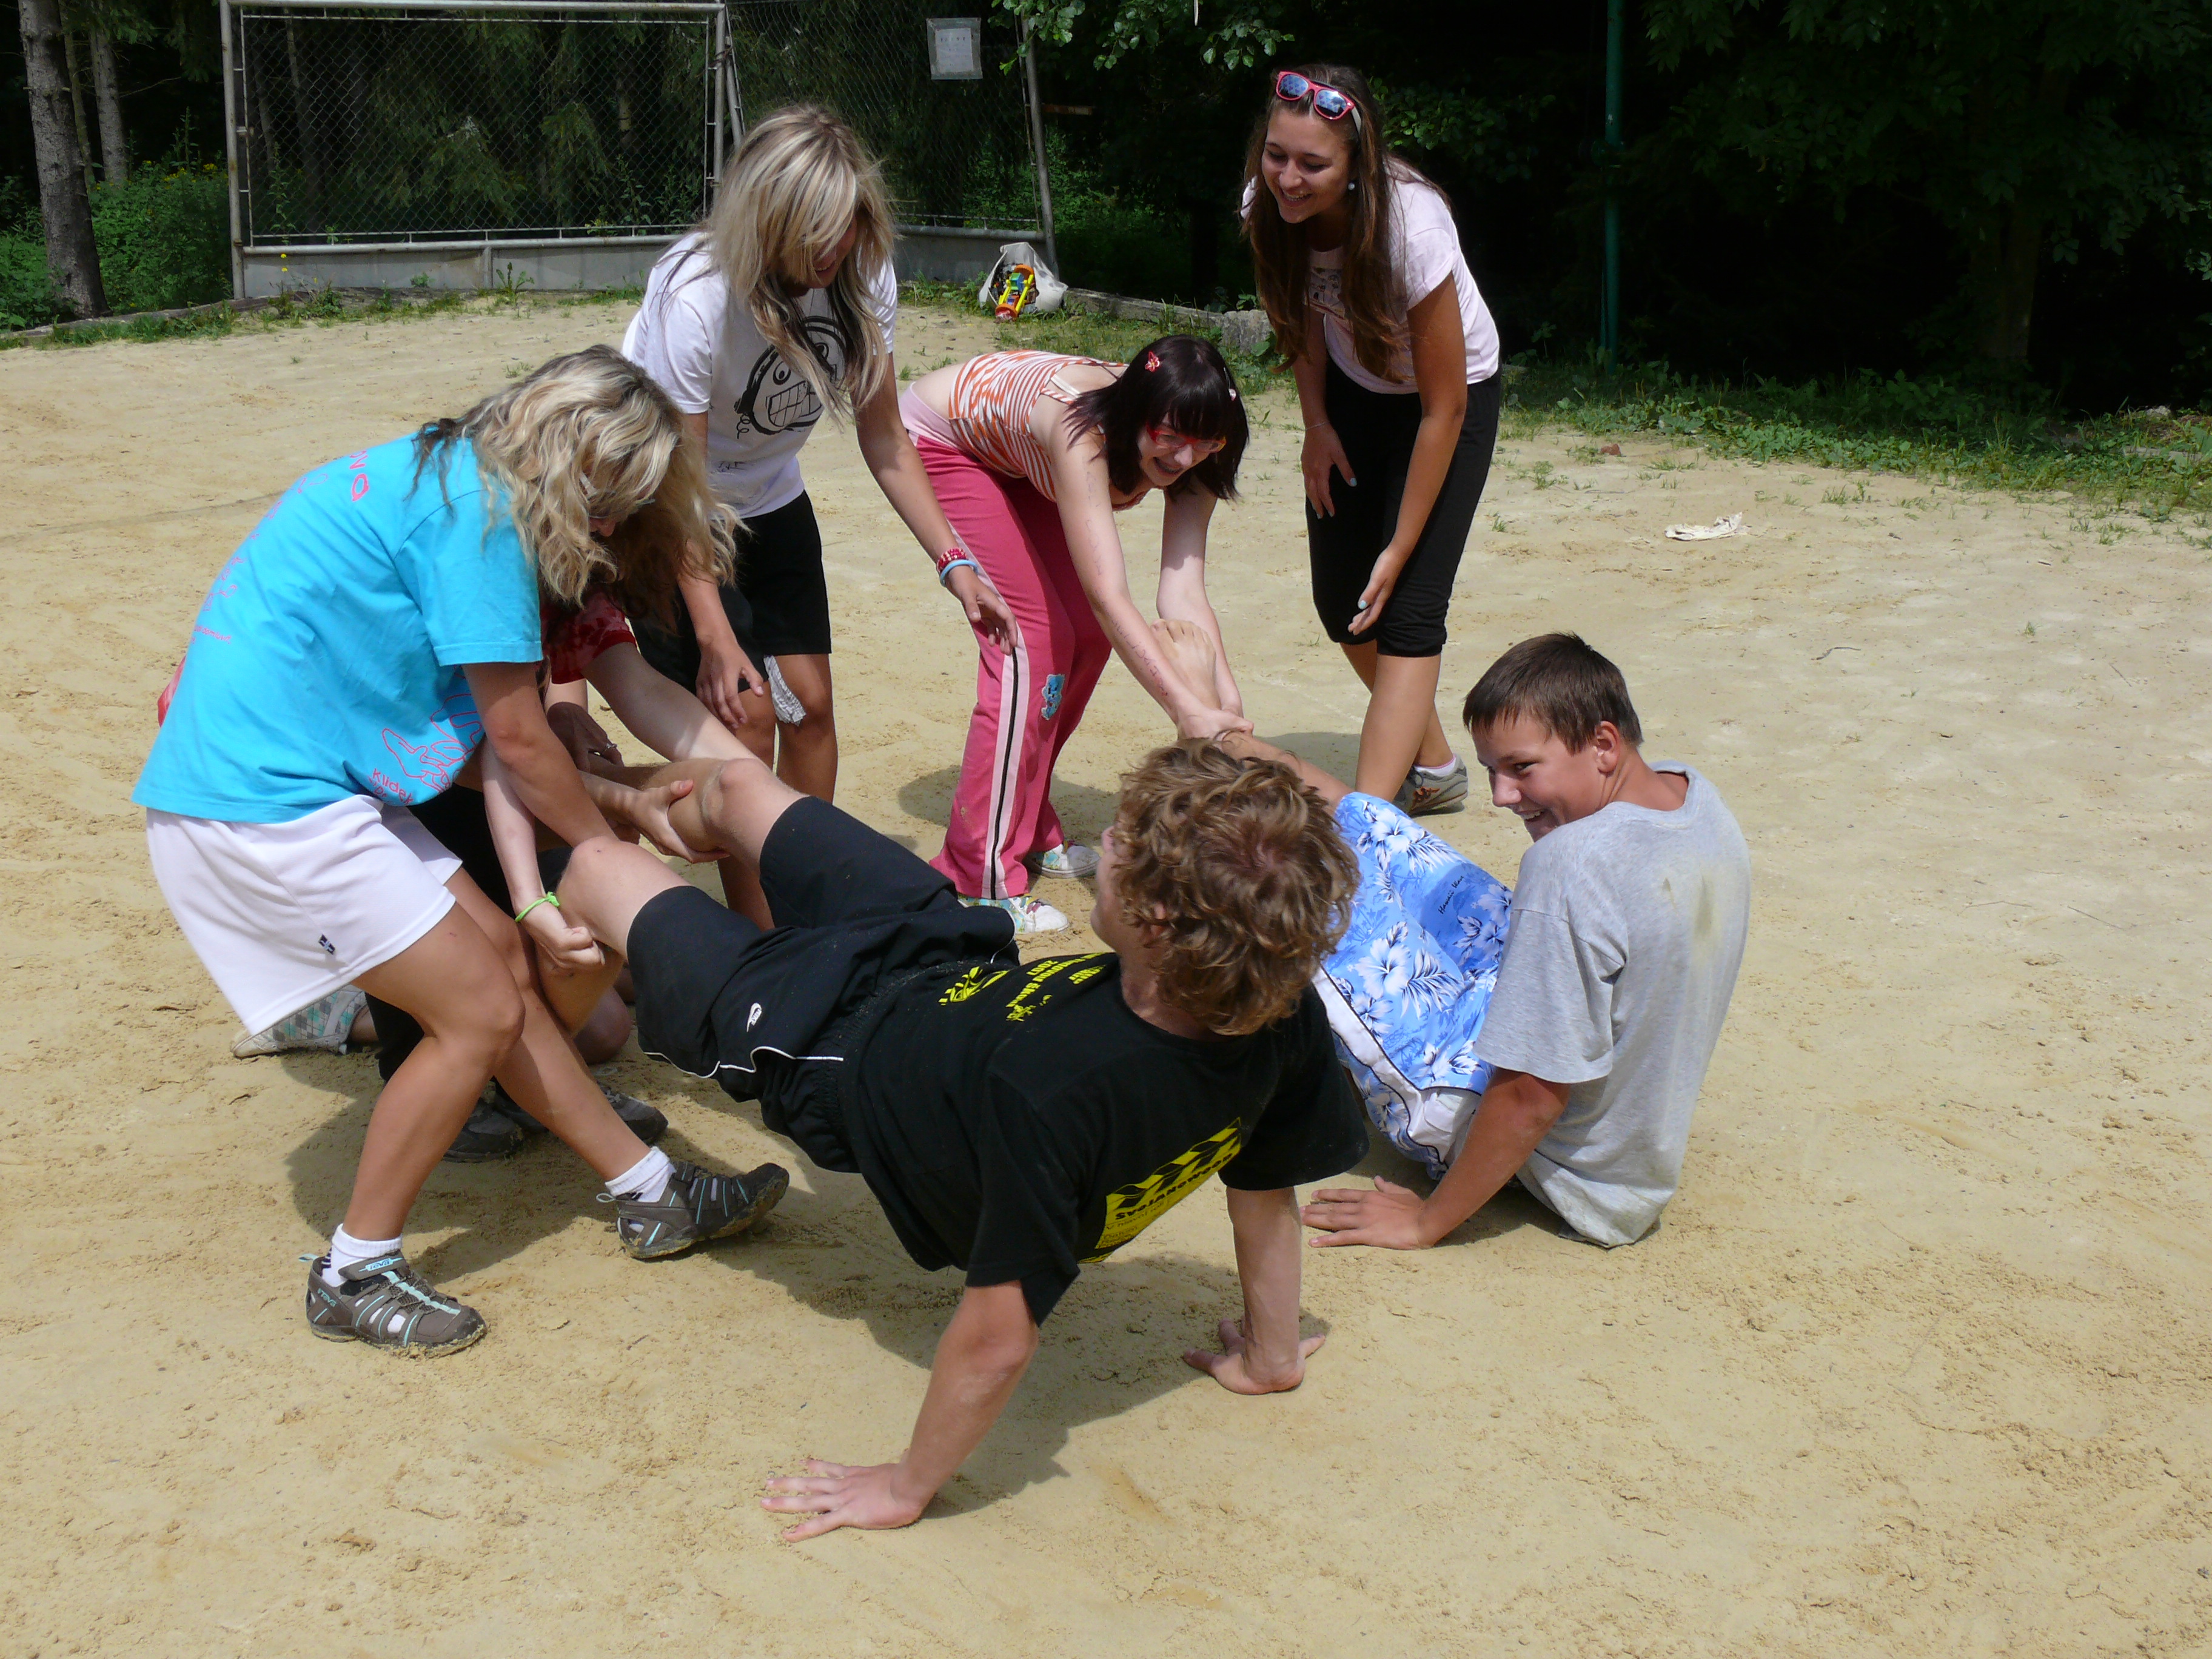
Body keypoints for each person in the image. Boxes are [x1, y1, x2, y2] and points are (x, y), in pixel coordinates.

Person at [133, 346, 788, 1358]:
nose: (608, 528)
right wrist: (605, 847)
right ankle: (354, 1270)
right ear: (566, 455)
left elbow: (493, 747)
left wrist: (611, 810)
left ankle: (652, 1193)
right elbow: (518, 740)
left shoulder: (448, 478)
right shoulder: (483, 520)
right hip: (260, 800)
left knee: (502, 976)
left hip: (316, 779)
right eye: (607, 500)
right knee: (480, 1010)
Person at [547, 737, 1366, 1537]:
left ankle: (528, 1061)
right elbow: (1266, 1185)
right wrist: (1272, 1355)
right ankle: (596, 785)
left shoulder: (1053, 1092)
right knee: (737, 787)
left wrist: (905, 1487)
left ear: (1154, 921)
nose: (1107, 843)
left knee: (595, 871)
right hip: (946, 955)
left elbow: (999, 1340)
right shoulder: (1276, 1007)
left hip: (822, 1040)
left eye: (1122, 844)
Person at [1177, 631, 1750, 1249]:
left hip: (1564, 1164)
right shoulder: (1688, 793)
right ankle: (1226, 739)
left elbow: (1532, 1094)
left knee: (1294, 895)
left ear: (1604, 745)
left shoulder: (1571, 866)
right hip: (1612, 1112)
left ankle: (1201, 740)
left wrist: (1426, 1222)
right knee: (1381, 832)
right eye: (1492, 771)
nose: (1502, 796)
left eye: (1522, 768)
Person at [620, 104, 1016, 823]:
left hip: (770, 497)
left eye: (846, 224)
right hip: (666, 507)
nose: (832, 249)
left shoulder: (862, 273)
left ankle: (800, 879)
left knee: (808, 705)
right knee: (744, 715)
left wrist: (955, 563)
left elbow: (885, 437)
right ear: (766, 222)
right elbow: (682, 487)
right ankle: (735, 884)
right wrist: (713, 636)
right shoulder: (696, 293)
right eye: (812, 233)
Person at [900, 335, 1253, 930]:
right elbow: (1109, 594)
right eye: (1169, 437)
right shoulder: (1080, 430)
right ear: (1136, 411)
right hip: (950, 443)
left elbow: (1183, 590)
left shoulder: (1201, 440)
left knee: (1087, 637)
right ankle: (976, 875)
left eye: (1206, 443)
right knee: (1028, 645)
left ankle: (1026, 821)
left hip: (1021, 459)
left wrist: (1224, 703)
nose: (1185, 458)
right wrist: (1185, 710)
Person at [1243, 64, 1504, 813]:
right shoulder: (1268, 207)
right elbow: (1299, 315)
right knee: (1344, 603)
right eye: (1276, 155)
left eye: (1312, 164)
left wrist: (1400, 547)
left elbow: (1445, 409)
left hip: (1446, 404)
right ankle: (1435, 768)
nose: (1288, 178)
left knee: (1408, 611)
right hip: (1353, 393)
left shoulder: (1411, 229)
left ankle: (1371, 828)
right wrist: (1317, 425)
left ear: (1357, 165)